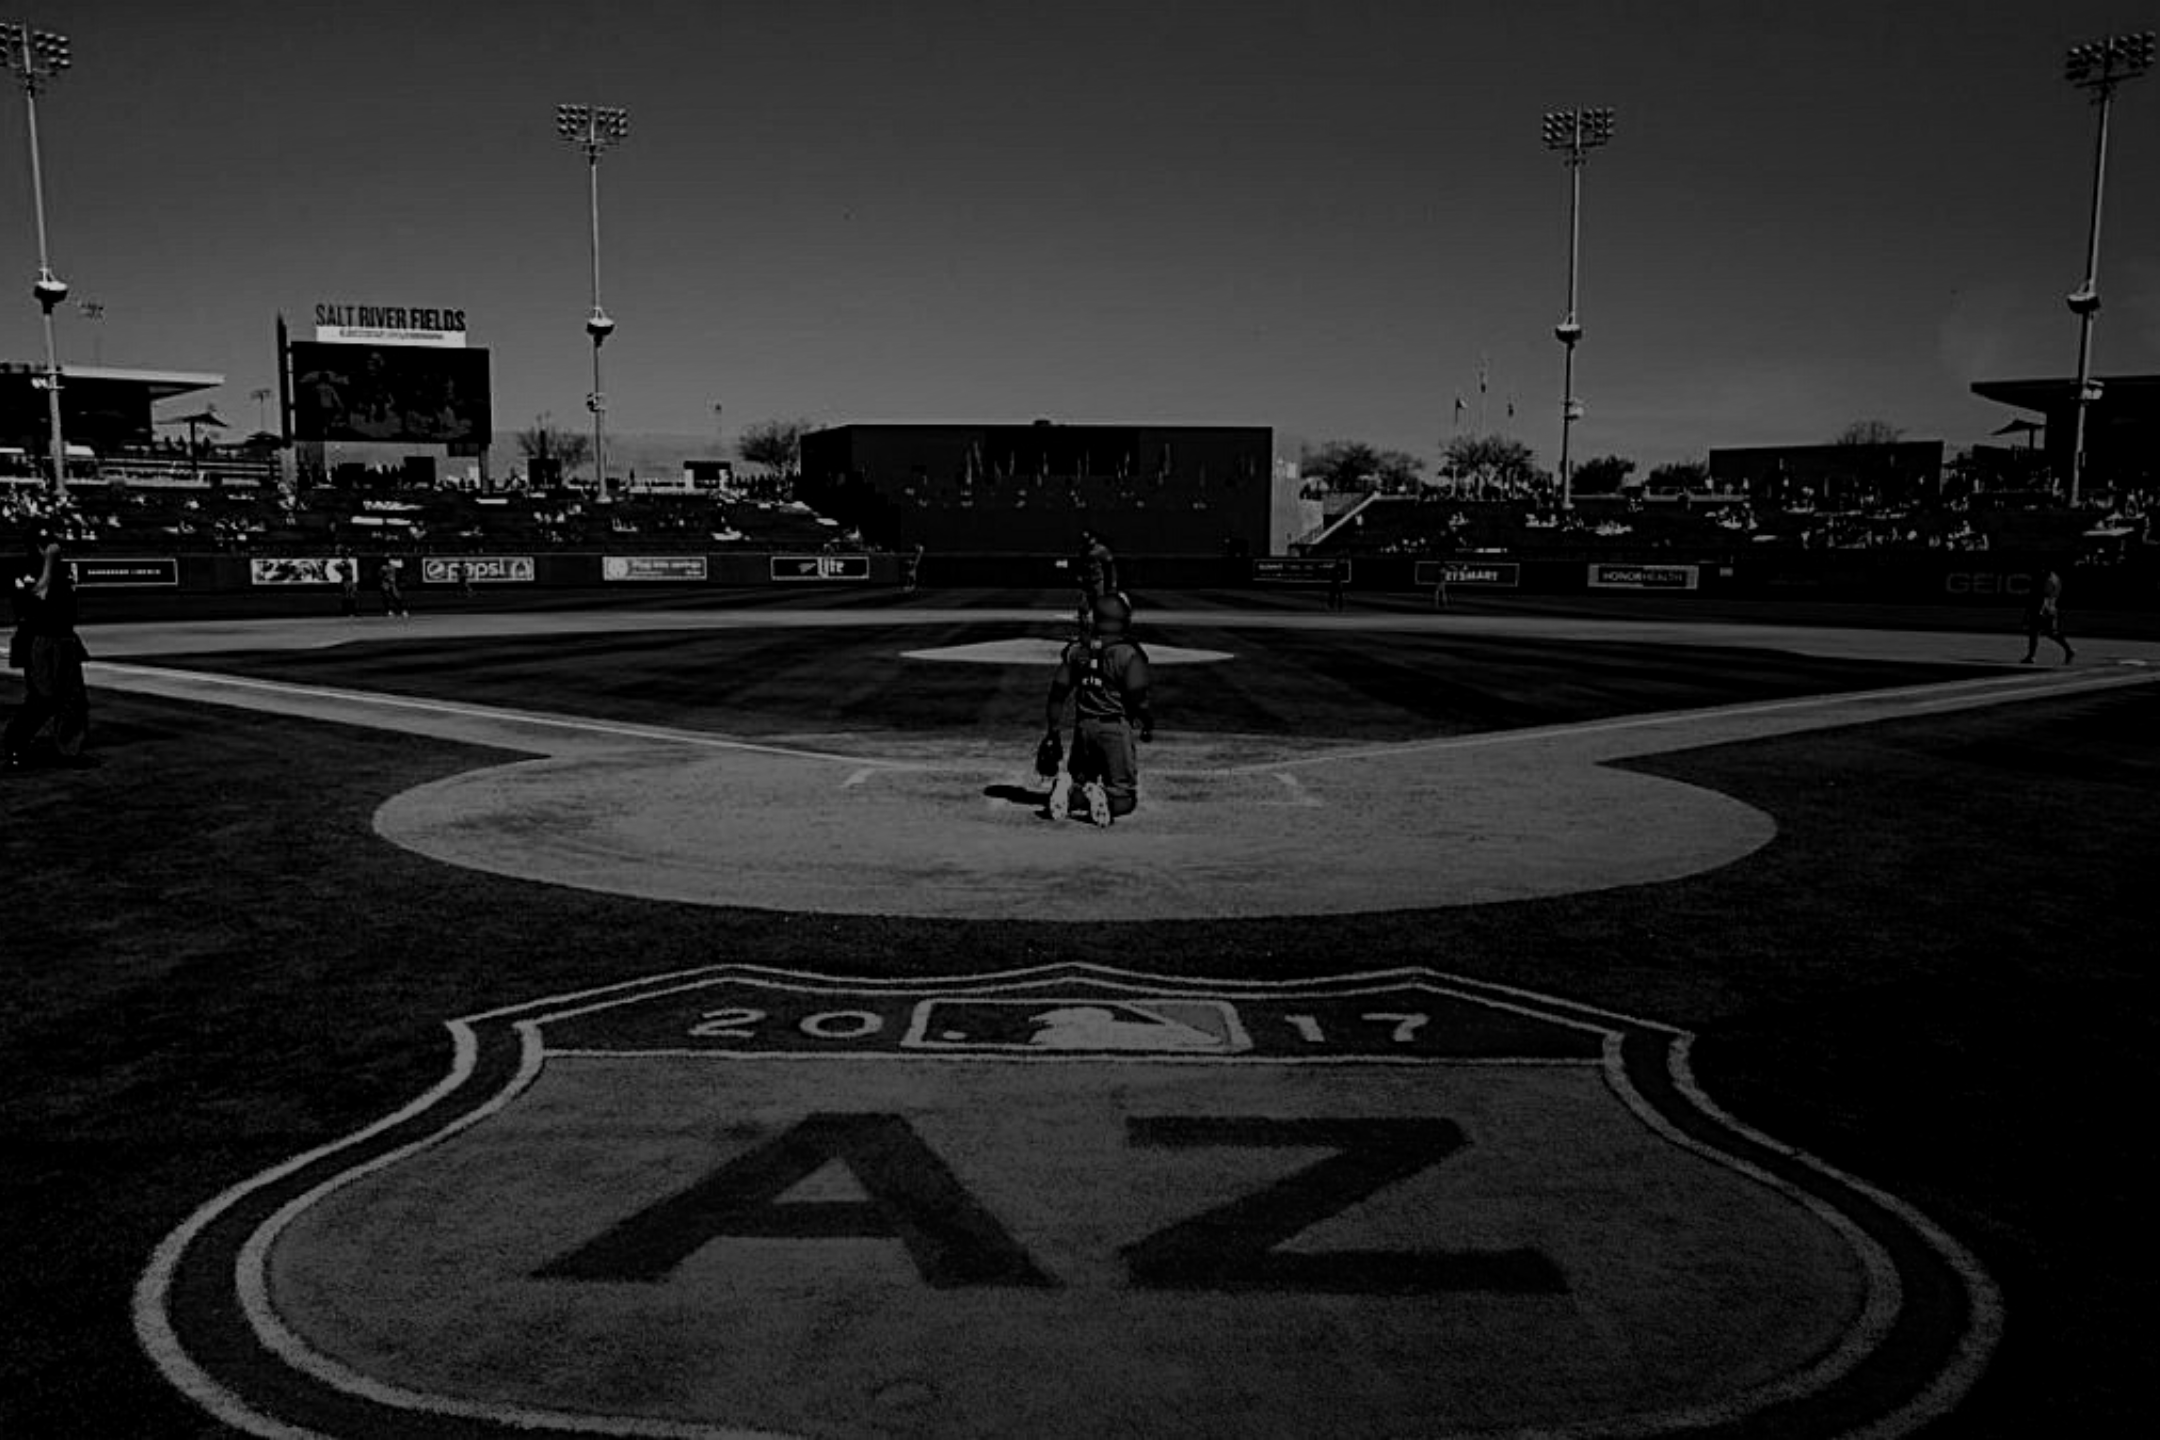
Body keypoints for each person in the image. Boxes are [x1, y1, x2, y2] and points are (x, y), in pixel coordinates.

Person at [1041, 592, 1153, 827]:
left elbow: (1058, 693)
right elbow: (1138, 697)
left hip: (1083, 729)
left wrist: (1053, 732)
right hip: (1114, 729)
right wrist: (1146, 720)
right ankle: (1107, 801)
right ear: (1123, 619)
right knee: (1126, 798)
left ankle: (1069, 790)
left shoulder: (1076, 651)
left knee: (1082, 782)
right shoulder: (1128, 654)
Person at [4, 534, 91, 768]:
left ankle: (69, 750)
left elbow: (69, 604)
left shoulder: (65, 571)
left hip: (65, 638)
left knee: (74, 698)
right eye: (48, 544)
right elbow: (36, 597)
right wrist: (50, 562)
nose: (54, 548)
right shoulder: (26, 571)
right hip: (38, 639)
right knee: (43, 697)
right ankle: (14, 744)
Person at [2021, 564, 2074, 665]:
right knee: (2048, 632)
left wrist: (2040, 610)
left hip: (2043, 608)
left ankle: (2031, 656)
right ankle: (2068, 650)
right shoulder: (2055, 578)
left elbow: (2043, 595)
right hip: (2050, 608)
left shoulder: (2045, 578)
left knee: (2036, 631)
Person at [1075, 529, 1121, 636]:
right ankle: (1084, 633)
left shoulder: (1102, 550)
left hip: (1098, 583)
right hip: (1086, 584)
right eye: (1085, 540)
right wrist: (1079, 575)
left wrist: (1113, 582)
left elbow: (1110, 566)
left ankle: (1098, 633)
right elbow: (1081, 565)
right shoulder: (1083, 550)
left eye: (1089, 539)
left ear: (1094, 539)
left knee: (1099, 609)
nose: (1087, 541)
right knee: (1082, 609)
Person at [337, 549, 359, 618]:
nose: (347, 555)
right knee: (346, 596)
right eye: (346, 554)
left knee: (352, 596)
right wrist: (342, 570)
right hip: (346, 581)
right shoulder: (342, 562)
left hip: (351, 580)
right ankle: (346, 611)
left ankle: (353, 611)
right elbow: (337, 567)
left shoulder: (349, 562)